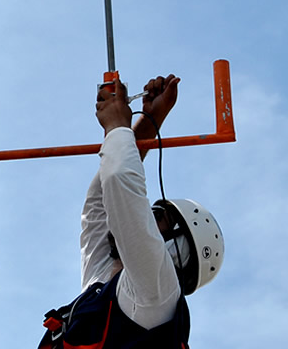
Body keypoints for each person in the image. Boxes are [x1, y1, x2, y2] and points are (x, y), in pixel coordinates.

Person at [38, 75, 224, 349]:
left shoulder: (156, 290)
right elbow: (100, 201)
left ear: (177, 248)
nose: (146, 215)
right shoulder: (106, 279)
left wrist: (117, 126)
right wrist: (149, 123)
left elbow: (119, 183)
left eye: (158, 217)